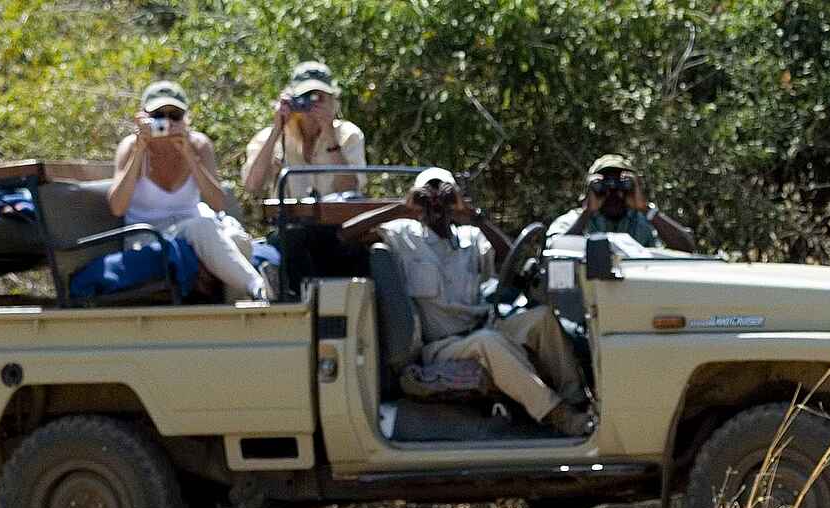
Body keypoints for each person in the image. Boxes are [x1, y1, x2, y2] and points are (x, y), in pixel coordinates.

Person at [346, 168, 594, 436]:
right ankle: (559, 415)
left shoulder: (470, 236)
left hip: (485, 327)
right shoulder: (404, 234)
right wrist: (400, 208)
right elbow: (345, 234)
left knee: (541, 319)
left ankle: (579, 401)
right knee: (488, 342)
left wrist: (474, 216)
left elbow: (512, 258)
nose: (436, 204)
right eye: (429, 195)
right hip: (443, 344)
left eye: (444, 196)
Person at [107, 80, 269, 302]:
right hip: (148, 234)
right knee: (202, 226)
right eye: (158, 116)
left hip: (195, 228)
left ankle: (237, 312)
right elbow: (117, 207)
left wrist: (189, 155)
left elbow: (218, 204)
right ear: (143, 117)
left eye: (174, 116)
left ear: (185, 119)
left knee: (236, 238)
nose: (166, 122)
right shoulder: (130, 147)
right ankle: (260, 287)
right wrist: (139, 150)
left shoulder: (199, 145)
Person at [241, 61, 367, 198]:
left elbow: (350, 190)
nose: (311, 104)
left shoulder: (348, 135)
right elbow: (252, 186)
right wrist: (277, 129)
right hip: (287, 212)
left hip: (335, 211)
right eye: (305, 96)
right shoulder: (270, 137)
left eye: (318, 98)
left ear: (333, 101)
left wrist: (330, 137)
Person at [545, 154, 695, 253]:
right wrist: (587, 213)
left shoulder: (644, 221)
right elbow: (554, 249)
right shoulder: (574, 220)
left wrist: (646, 209)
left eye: (622, 185)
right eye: (604, 186)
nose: (612, 194)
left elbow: (687, 248)